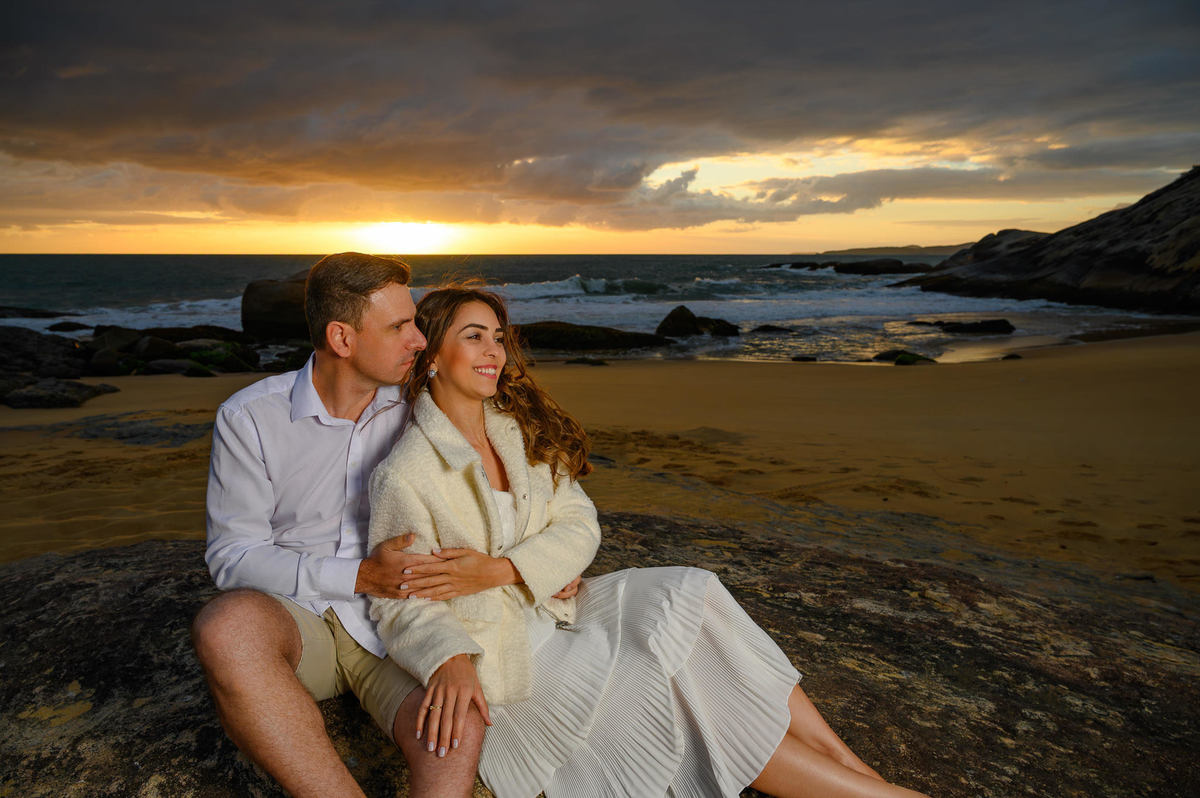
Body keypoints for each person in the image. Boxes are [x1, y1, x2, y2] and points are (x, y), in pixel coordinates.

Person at [367, 285, 932, 798]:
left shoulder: (513, 431)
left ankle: (855, 769)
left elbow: (579, 522)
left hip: (560, 606)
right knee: (678, 701)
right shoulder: (407, 472)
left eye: (497, 337)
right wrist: (451, 658)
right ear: (433, 355)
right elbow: (399, 603)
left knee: (695, 592)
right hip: (511, 652)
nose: (494, 351)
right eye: (473, 337)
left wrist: (509, 570)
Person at [191, 253, 490, 798]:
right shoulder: (250, 416)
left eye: (415, 323)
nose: (420, 340)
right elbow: (232, 556)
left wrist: (523, 566)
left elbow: (508, 481)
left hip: (399, 622)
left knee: (459, 719)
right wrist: (358, 576)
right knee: (225, 628)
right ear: (342, 338)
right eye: (400, 326)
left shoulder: (426, 403)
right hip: (294, 617)